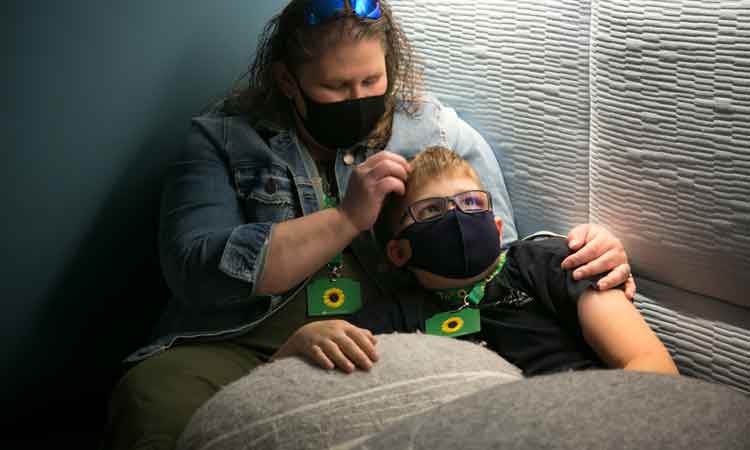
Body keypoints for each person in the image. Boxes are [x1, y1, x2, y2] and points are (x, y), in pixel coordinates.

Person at [100, 1, 637, 449]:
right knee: (154, 399)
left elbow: (500, 259)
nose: (359, 98)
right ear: (288, 80)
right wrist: (346, 219)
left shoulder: (438, 131)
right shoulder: (221, 140)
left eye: (371, 78)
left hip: (384, 336)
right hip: (238, 339)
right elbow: (197, 271)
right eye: (336, 86)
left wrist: (589, 262)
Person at [274, 146, 678, 376]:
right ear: (398, 251)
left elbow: (648, 362)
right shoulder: (396, 316)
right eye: (432, 211)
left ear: (497, 226)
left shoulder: (547, 260)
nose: (457, 217)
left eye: (470, 202)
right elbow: (284, 381)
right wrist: (300, 342)